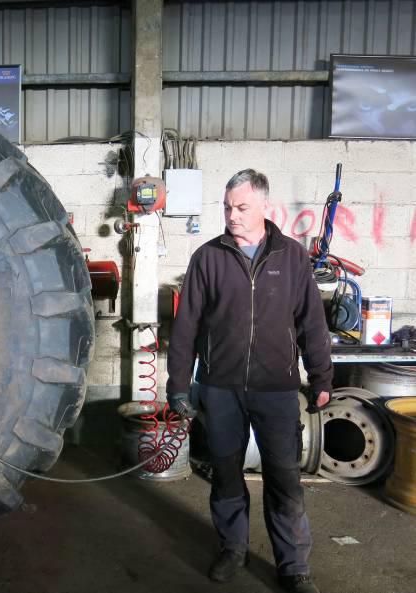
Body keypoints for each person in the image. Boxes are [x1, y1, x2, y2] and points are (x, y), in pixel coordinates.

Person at [166, 169, 332, 593]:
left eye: (241, 207)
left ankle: (293, 566)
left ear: (264, 206)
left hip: (276, 389)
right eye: (227, 207)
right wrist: (178, 385)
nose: (232, 216)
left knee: (284, 478)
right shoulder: (208, 257)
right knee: (225, 474)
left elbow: (312, 323)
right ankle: (233, 548)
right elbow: (186, 327)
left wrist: (321, 377)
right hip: (220, 388)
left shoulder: (292, 257)